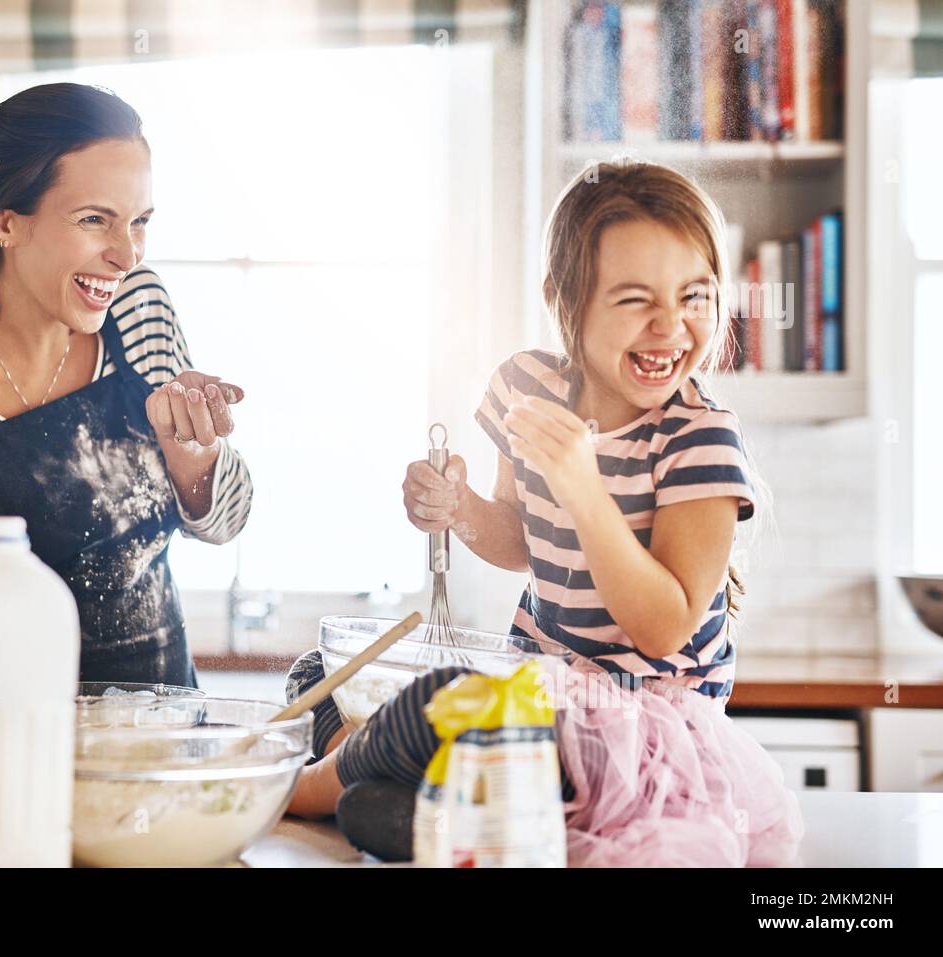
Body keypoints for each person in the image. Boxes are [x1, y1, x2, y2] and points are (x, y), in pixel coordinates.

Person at [286, 161, 803, 867]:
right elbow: (521, 539)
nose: (671, 325)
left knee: (439, 701)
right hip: (538, 698)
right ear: (565, 301)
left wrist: (582, 485)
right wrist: (457, 508)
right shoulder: (525, 387)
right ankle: (397, 785)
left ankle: (308, 783)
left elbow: (662, 625)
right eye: (633, 299)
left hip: (641, 734)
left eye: (694, 296)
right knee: (321, 671)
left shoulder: (700, 438)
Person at [0, 84, 252, 768]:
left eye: (140, 220)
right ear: (3, 220)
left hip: (149, 754)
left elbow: (226, 520)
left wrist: (196, 461)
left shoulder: (141, 314)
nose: (128, 253)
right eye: (96, 220)